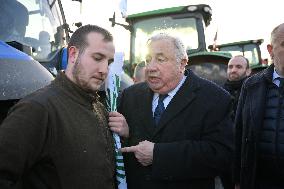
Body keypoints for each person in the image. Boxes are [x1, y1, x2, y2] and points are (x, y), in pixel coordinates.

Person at [109, 33, 234, 189]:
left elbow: (220, 155)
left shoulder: (214, 99)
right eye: (148, 60)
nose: (151, 67)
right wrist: (126, 135)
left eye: (160, 59)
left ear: (182, 64)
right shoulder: (129, 96)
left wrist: (159, 155)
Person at [0, 24, 116, 189]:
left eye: (109, 62)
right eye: (97, 58)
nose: (104, 70)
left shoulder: (98, 107)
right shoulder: (36, 109)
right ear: (73, 54)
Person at [234, 23, 284, 189]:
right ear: (270, 50)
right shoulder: (252, 85)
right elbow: (240, 132)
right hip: (260, 179)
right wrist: (237, 179)